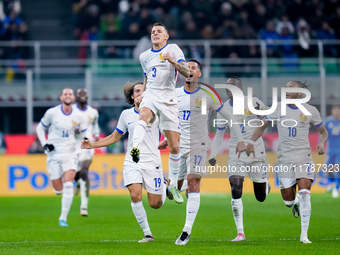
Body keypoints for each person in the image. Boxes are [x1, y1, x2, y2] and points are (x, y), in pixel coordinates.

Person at [158, 61, 246, 245]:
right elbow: (167, 118)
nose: (189, 70)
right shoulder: (174, 94)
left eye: (193, 68)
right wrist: (167, 138)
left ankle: (186, 231)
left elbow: (228, 116)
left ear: (199, 73)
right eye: (186, 68)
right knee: (175, 188)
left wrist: (240, 139)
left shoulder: (208, 93)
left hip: (199, 144)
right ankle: (172, 186)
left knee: (193, 183)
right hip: (179, 145)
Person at [81, 81, 166, 243]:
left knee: (155, 204)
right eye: (137, 91)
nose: (140, 93)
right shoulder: (126, 115)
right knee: (135, 195)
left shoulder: (157, 113)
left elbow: (169, 130)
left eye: (144, 91)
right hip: (132, 160)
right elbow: (115, 136)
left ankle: (164, 185)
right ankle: (148, 234)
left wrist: (167, 140)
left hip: (152, 162)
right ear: (132, 96)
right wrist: (92, 144)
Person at [246, 81, 328, 243]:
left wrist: (321, 142)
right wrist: (251, 142)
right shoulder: (278, 108)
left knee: (305, 193)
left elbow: (323, 132)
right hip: (284, 159)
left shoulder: (311, 110)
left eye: (290, 88)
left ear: (300, 92)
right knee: (288, 201)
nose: (286, 91)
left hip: (304, 157)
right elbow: (262, 127)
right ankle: (294, 203)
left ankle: (304, 235)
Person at [130, 22, 190, 204]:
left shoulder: (173, 49)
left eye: (159, 32)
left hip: (169, 100)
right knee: (144, 116)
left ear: (166, 36)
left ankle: (172, 185)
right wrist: (142, 95)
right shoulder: (144, 56)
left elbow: (187, 72)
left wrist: (171, 60)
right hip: (151, 95)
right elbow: (147, 77)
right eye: (152, 32)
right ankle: (135, 146)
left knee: (174, 147)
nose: (155, 34)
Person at [208, 77, 271, 242]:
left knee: (261, 196)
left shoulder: (253, 102)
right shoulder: (222, 109)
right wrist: (213, 156)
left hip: (255, 150)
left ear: (241, 88)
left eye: (233, 86)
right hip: (236, 152)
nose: (229, 89)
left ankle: (265, 185)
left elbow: (270, 115)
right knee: (236, 187)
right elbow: (219, 135)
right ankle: (240, 233)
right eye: (227, 87)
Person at [36, 88, 87, 227]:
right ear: (61, 97)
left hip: (69, 152)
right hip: (54, 153)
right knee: (58, 190)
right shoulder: (52, 113)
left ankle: (63, 218)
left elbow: (84, 133)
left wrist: (85, 142)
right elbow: (40, 128)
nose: (68, 96)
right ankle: (61, 191)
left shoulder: (78, 116)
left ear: (73, 98)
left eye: (70, 94)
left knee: (69, 184)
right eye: (65, 94)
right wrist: (45, 144)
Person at [72, 88, 100, 216]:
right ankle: (77, 183)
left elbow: (94, 125)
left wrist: (97, 135)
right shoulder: (71, 111)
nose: (82, 96)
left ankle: (84, 207)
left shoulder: (93, 112)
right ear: (76, 97)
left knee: (84, 171)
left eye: (84, 94)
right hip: (73, 146)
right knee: (75, 174)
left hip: (88, 145)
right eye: (80, 94)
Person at [324, 105, 340, 198]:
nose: (336, 112)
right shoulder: (328, 121)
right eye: (335, 110)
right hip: (330, 150)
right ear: (332, 111)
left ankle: (336, 188)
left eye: (338, 110)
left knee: (337, 168)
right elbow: (323, 134)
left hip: (339, 150)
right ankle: (332, 183)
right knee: (328, 170)